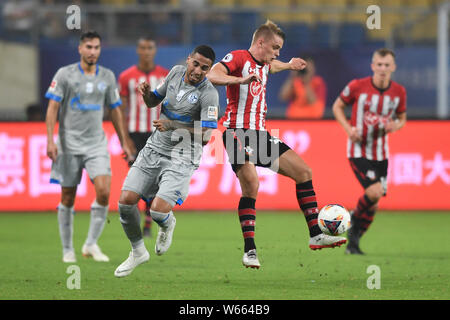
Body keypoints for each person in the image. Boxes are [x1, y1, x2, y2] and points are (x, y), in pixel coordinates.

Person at [207, 20, 347, 269]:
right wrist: (238, 81)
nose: (278, 52)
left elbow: (271, 65)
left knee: (304, 172)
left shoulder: (264, 63)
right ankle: (249, 250)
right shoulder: (239, 58)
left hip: (260, 134)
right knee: (252, 183)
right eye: (275, 47)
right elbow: (213, 74)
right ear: (260, 43)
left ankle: (315, 234)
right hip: (235, 131)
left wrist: (290, 65)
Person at [114, 45, 219, 278]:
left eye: (205, 68)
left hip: (182, 155)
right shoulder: (174, 73)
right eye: (196, 64)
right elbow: (153, 102)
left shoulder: (209, 94)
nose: (198, 70)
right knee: (125, 201)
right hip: (155, 148)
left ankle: (167, 224)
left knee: (158, 211)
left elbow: (206, 135)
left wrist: (173, 125)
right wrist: (146, 94)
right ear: (189, 60)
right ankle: (138, 251)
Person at [45, 30, 133, 263]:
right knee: (67, 197)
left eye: (96, 47)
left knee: (104, 191)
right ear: (80, 49)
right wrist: (50, 140)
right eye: (89, 47)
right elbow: (53, 107)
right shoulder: (65, 74)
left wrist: (124, 140)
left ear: (100, 50)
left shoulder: (107, 76)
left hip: (96, 145)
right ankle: (67, 249)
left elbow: (114, 109)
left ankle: (91, 244)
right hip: (68, 145)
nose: (92, 51)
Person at [332, 48, 407, 255]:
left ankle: (353, 243)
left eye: (387, 65)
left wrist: (395, 126)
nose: (383, 69)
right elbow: (337, 106)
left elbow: (402, 118)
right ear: (373, 66)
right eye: (379, 65)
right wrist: (349, 130)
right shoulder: (357, 86)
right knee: (373, 192)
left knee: (373, 204)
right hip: (359, 150)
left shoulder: (398, 92)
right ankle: (353, 217)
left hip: (381, 153)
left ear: (393, 67)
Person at [118, 36, 169, 238]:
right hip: (135, 134)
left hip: (158, 134)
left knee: (156, 180)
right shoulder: (126, 77)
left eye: (149, 47)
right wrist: (125, 139)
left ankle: (148, 224)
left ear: (154, 50)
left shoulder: (165, 75)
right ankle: (142, 222)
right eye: (142, 48)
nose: (146, 51)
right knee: (138, 180)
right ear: (138, 50)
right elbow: (120, 110)